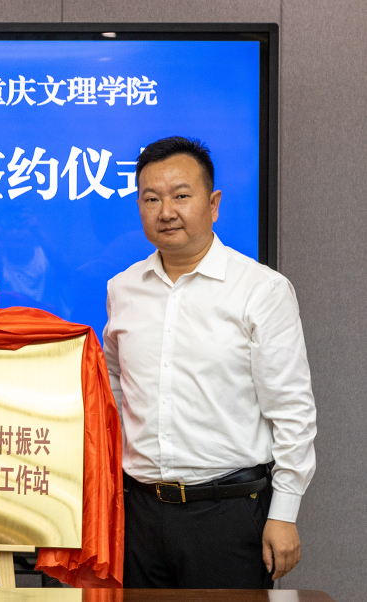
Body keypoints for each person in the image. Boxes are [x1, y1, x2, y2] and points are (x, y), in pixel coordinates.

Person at [102, 136, 316, 588]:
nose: (166, 211)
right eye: (151, 199)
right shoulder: (122, 288)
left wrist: (284, 512)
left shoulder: (261, 289)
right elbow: (116, 383)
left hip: (227, 514)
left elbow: (292, 409)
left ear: (213, 204)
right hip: (138, 514)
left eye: (181, 196)